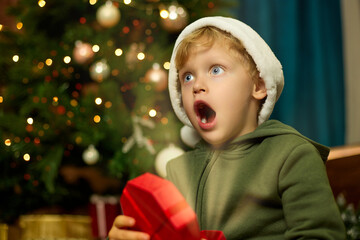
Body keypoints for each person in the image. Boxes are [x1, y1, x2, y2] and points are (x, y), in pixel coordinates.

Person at [108, 16, 346, 240]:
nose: (197, 85)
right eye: (187, 77)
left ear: (259, 86)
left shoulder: (291, 155)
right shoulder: (177, 172)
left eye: (215, 70)